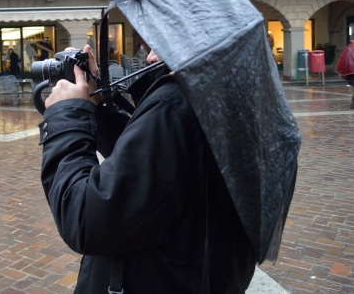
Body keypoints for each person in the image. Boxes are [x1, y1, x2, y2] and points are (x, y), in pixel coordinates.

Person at [39, 45, 257, 293]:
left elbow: (85, 218)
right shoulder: (222, 94)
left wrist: (66, 116)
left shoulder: (177, 104)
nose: (151, 57)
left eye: (163, 43)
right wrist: (99, 106)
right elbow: (149, 164)